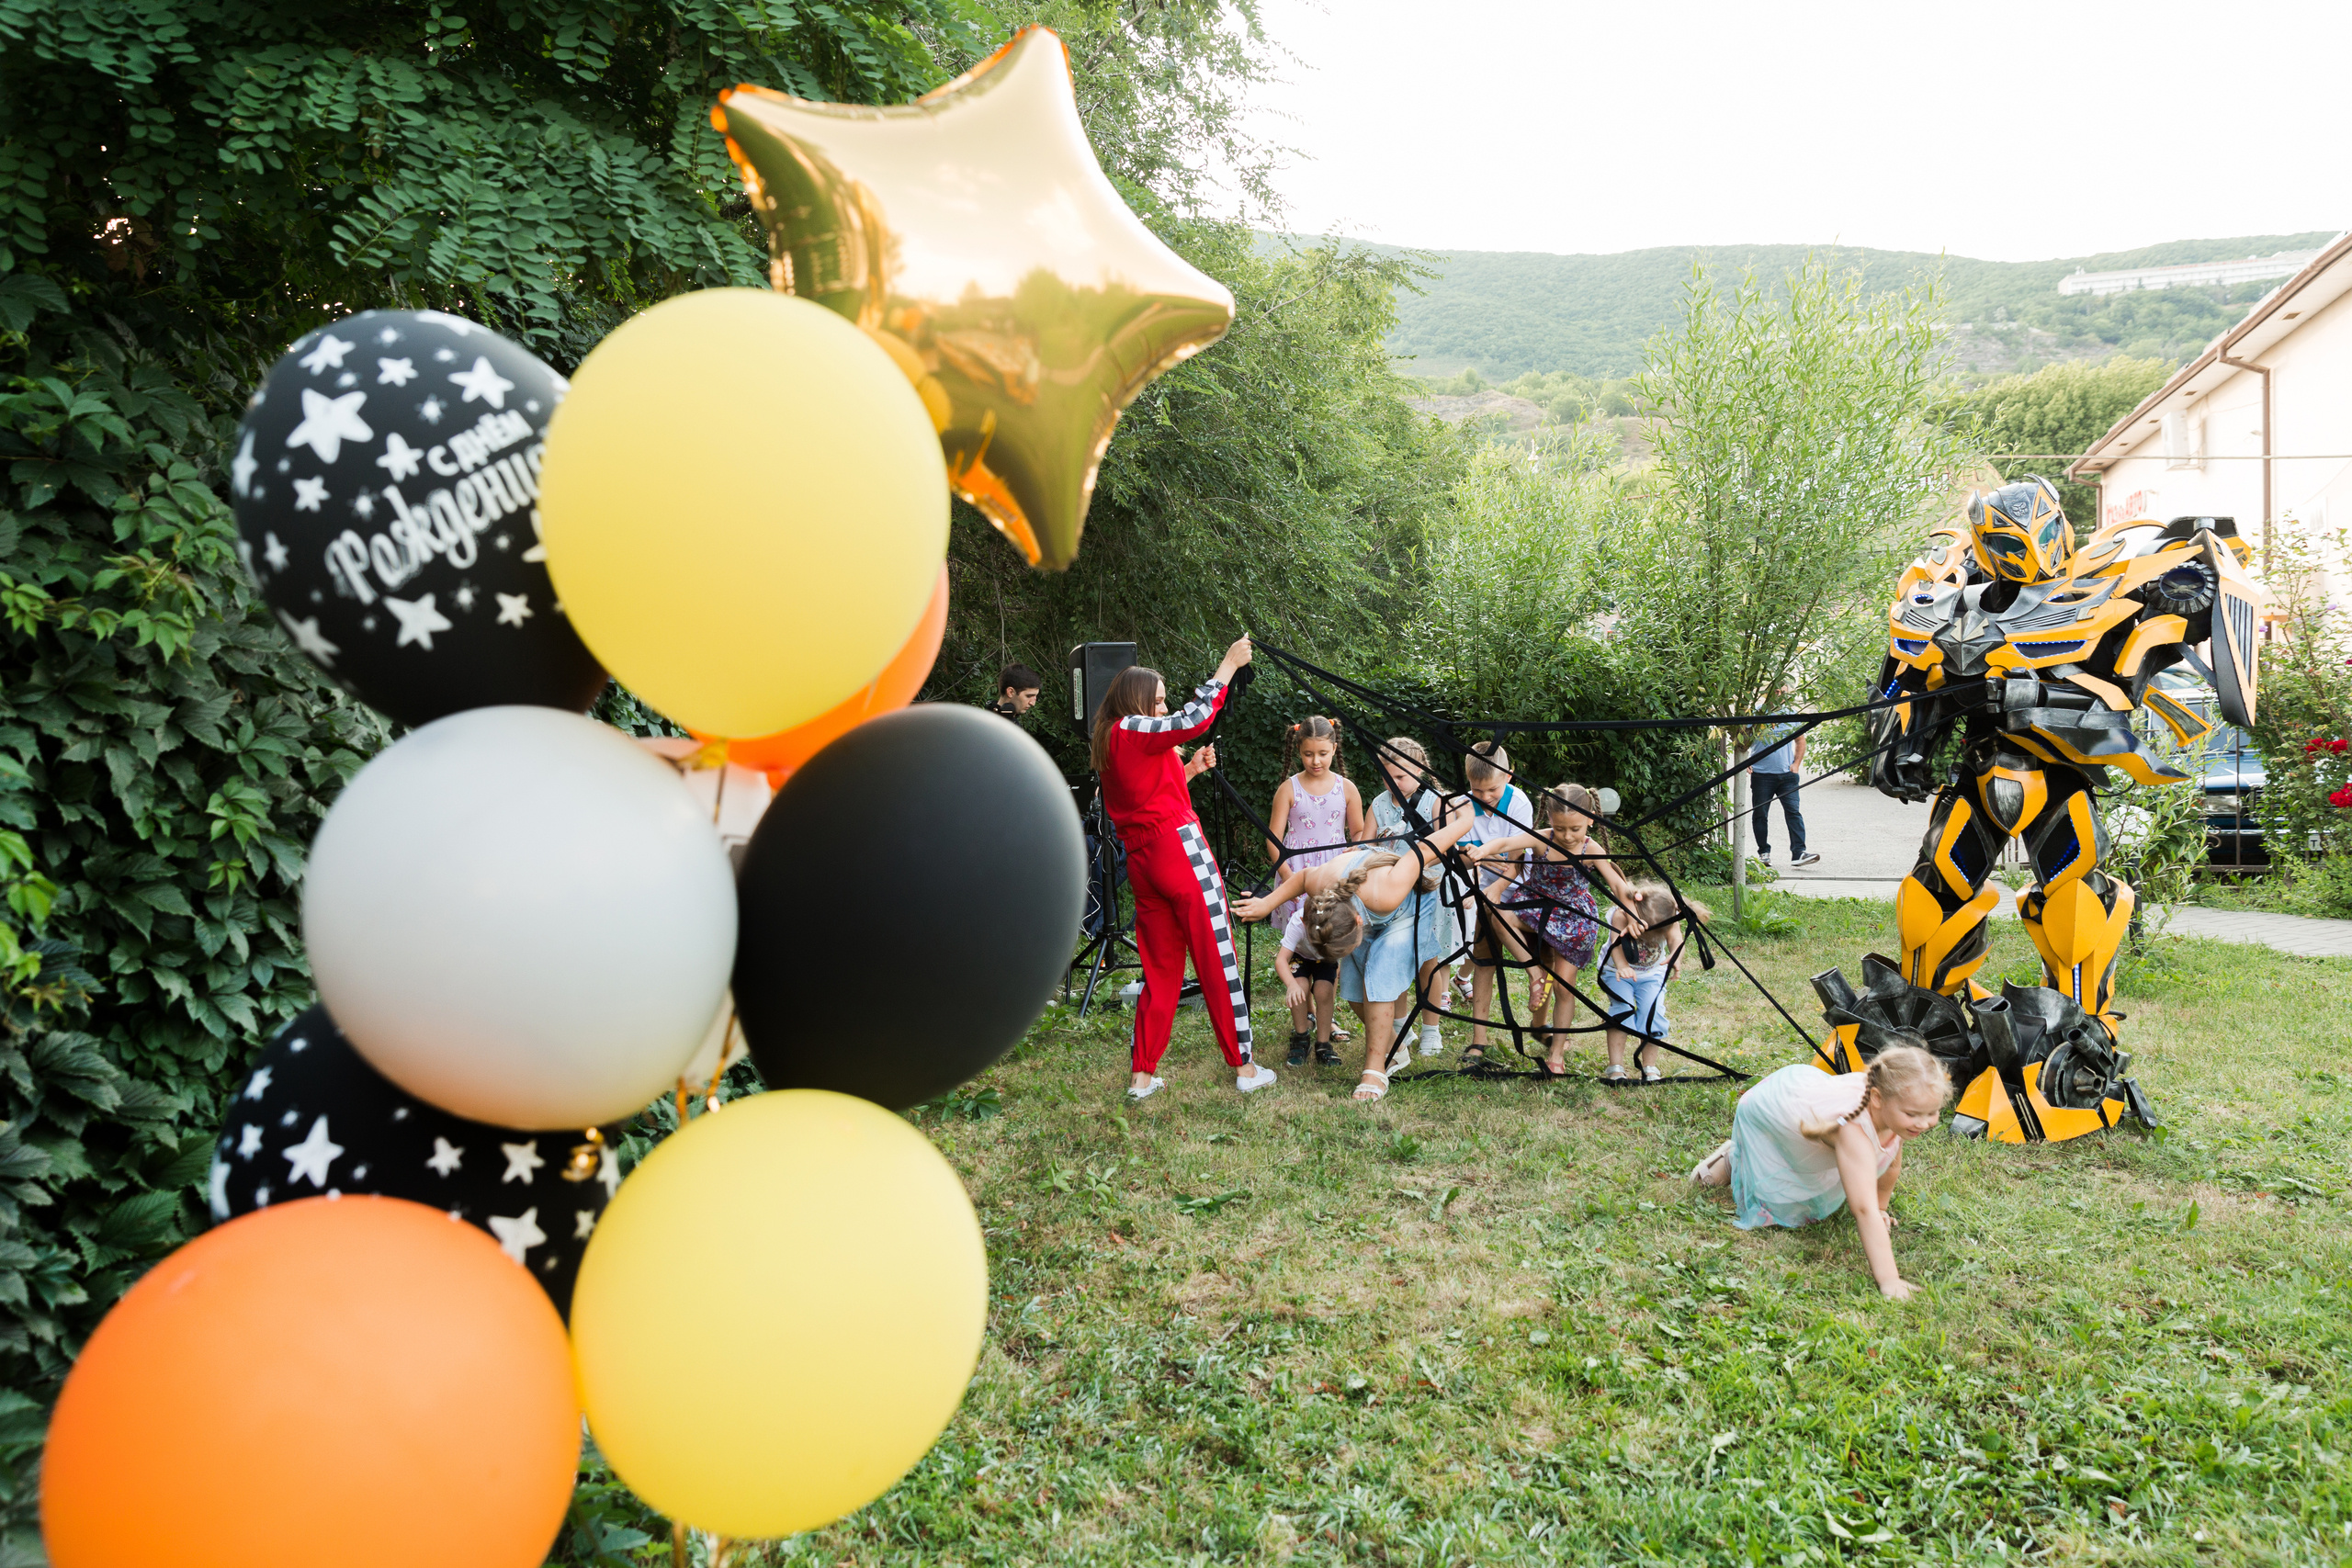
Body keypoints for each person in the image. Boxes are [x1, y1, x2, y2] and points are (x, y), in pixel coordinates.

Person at [1091, 639, 1273, 1102]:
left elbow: (1147, 799)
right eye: (1157, 700)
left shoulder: (1111, 739)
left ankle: (1142, 1076)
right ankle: (1245, 1066)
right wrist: (1228, 665)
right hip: (1179, 850)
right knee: (1217, 954)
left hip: (1144, 861)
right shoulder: (1134, 726)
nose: (1163, 708)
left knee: (1160, 969)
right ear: (1135, 701)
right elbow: (1194, 719)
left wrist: (1189, 770)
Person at [1236, 803, 1479, 1101]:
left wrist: (1466, 819)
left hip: (1406, 907)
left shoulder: (1387, 889)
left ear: (1359, 923)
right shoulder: (1323, 887)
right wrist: (1266, 903)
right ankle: (1395, 1046)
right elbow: (1302, 877)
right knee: (1352, 989)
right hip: (1362, 904)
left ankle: (1374, 1071)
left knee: (1378, 975)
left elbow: (1426, 849)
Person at [1690, 1043, 1951, 1300]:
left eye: (1932, 1112)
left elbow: (1891, 1162)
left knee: (1842, 1168)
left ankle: (1744, 1155)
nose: (1923, 1123)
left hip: (1810, 1103)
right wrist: (1890, 1280)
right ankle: (1735, 1158)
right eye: (1913, 1114)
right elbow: (1863, 1209)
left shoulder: (1894, 1110)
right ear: (1878, 1099)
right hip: (1774, 1112)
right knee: (1782, 1195)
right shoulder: (1854, 1130)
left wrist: (1881, 1207)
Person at [1464, 783, 1643, 1077]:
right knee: (1498, 913)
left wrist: (1632, 912)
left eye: (1575, 828)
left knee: (1563, 986)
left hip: (1573, 919)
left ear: (1590, 820)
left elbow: (1617, 884)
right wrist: (1482, 850)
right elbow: (1505, 843)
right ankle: (1534, 972)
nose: (1567, 836)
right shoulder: (1542, 839)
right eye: (1560, 828)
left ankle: (1556, 1054)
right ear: (1550, 819)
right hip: (1536, 906)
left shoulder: (1591, 848)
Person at [1266, 716, 1364, 1066]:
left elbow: (1358, 833)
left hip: (1332, 876)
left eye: (1322, 753)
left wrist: (1350, 863)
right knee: (1301, 945)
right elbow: (1273, 839)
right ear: (1298, 752)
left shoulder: (1346, 788)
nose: (1316, 761)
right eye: (1308, 754)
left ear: (1334, 749)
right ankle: (1305, 1012)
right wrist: (1290, 879)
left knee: (1327, 941)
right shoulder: (1289, 789)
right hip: (1296, 874)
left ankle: (1325, 1016)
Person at [1364, 737, 1458, 1061]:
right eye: (1387, 776)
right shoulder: (1378, 805)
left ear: (1419, 771)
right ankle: (1403, 1027)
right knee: (1397, 961)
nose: (1393, 783)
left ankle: (1431, 1029)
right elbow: (1365, 846)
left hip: (1428, 892)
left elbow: (1445, 847)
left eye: (1401, 776)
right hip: (1393, 897)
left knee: (1428, 963)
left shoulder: (1435, 803)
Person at [1457, 741, 1533, 1070]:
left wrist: (1494, 886)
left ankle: (1540, 1019)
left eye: (1492, 790)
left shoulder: (1518, 802)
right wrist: (1480, 881)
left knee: (1536, 952)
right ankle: (1479, 1039)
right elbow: (1464, 858)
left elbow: (1515, 862)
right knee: (1484, 957)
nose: (1485, 797)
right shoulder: (1462, 804)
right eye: (1477, 790)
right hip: (1481, 886)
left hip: (1518, 888)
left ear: (1508, 776)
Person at [1598, 883, 1712, 1083]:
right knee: (1622, 1011)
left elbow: (1676, 941)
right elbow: (1615, 944)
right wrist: (1622, 965)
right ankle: (1615, 1067)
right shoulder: (1621, 915)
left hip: (1651, 975)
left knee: (1653, 1014)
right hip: (1616, 972)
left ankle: (1649, 1067)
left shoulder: (1669, 917)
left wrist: (1676, 957)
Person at [1748, 723, 1818, 867]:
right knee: (1760, 814)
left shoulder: (1790, 714)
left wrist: (1796, 764)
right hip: (1761, 775)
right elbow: (1740, 740)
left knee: (1793, 812)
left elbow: (1800, 739)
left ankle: (1799, 853)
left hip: (1787, 775)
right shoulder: (1756, 713)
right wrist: (1745, 761)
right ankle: (1764, 853)